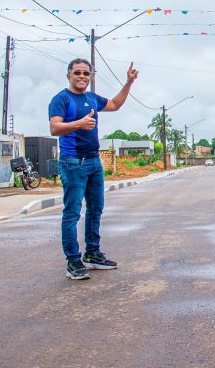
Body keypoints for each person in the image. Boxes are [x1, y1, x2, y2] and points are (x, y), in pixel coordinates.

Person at [49, 58, 138, 280]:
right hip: (72, 163)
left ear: (91, 77)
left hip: (93, 162)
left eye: (86, 73)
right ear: (69, 75)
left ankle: (92, 254)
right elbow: (54, 127)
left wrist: (128, 83)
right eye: (77, 72)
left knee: (95, 210)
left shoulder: (91, 98)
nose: (81, 76)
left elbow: (115, 105)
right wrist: (79, 124)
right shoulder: (61, 99)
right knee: (72, 213)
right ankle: (73, 261)